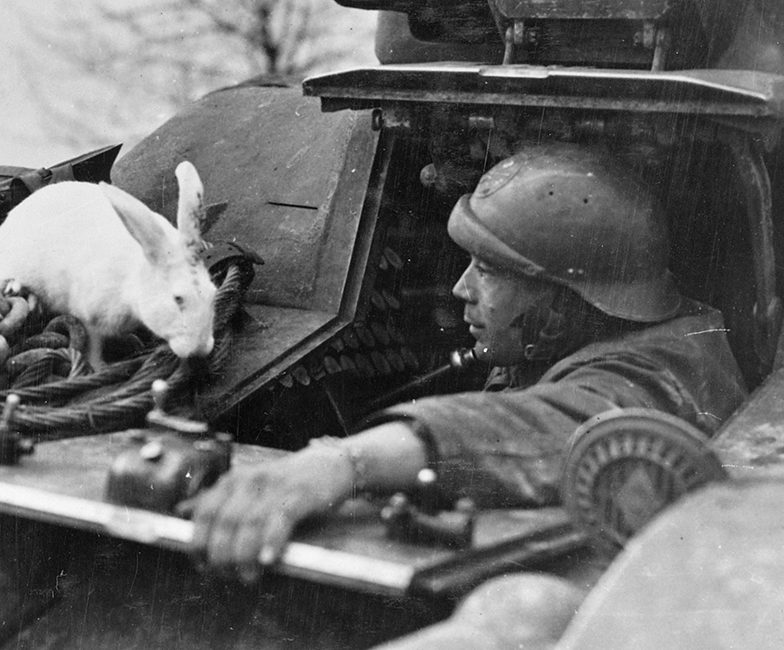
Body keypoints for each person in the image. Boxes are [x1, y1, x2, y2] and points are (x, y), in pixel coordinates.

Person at [180, 143, 748, 583]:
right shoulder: (585, 337)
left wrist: (340, 464)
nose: (460, 288)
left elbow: (574, 427)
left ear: (571, 298)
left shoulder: (669, 367)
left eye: (490, 269)